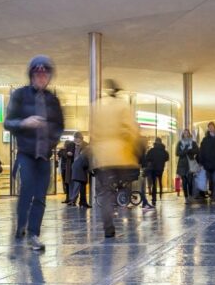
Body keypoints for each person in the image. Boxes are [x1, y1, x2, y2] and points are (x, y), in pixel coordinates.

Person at [5, 56, 65, 249]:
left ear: (49, 77)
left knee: (40, 195)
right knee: (27, 189)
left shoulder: (52, 99)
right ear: (31, 75)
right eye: (37, 74)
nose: (41, 78)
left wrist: (51, 142)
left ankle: (33, 234)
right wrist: (24, 122)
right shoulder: (20, 95)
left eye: (45, 74)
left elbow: (59, 126)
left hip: (44, 155)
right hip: (26, 153)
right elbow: (7, 122)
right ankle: (21, 224)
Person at [91, 80, 142, 238]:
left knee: (106, 192)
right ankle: (124, 205)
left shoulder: (97, 107)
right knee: (124, 185)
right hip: (122, 156)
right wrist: (135, 149)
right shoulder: (123, 106)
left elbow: (94, 134)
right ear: (117, 91)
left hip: (104, 158)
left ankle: (108, 227)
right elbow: (130, 130)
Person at [142, 137, 169, 207]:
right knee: (160, 181)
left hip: (154, 168)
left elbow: (147, 158)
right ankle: (160, 194)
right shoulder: (164, 151)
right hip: (160, 169)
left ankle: (154, 199)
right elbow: (167, 158)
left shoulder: (152, 150)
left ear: (155, 142)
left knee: (154, 183)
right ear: (161, 142)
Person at [175, 129, 199, 202]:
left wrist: (190, 150)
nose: (186, 134)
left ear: (189, 134)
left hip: (190, 164)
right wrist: (186, 150)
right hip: (182, 164)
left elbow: (197, 151)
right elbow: (177, 153)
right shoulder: (180, 143)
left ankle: (190, 195)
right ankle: (186, 197)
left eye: (187, 133)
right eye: (185, 133)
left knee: (190, 181)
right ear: (183, 134)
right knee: (184, 182)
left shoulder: (193, 142)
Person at [68, 143, 91, 208]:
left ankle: (82, 202)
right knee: (77, 188)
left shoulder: (82, 154)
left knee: (81, 188)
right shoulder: (86, 154)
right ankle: (72, 201)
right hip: (79, 173)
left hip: (78, 172)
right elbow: (85, 164)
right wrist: (90, 169)